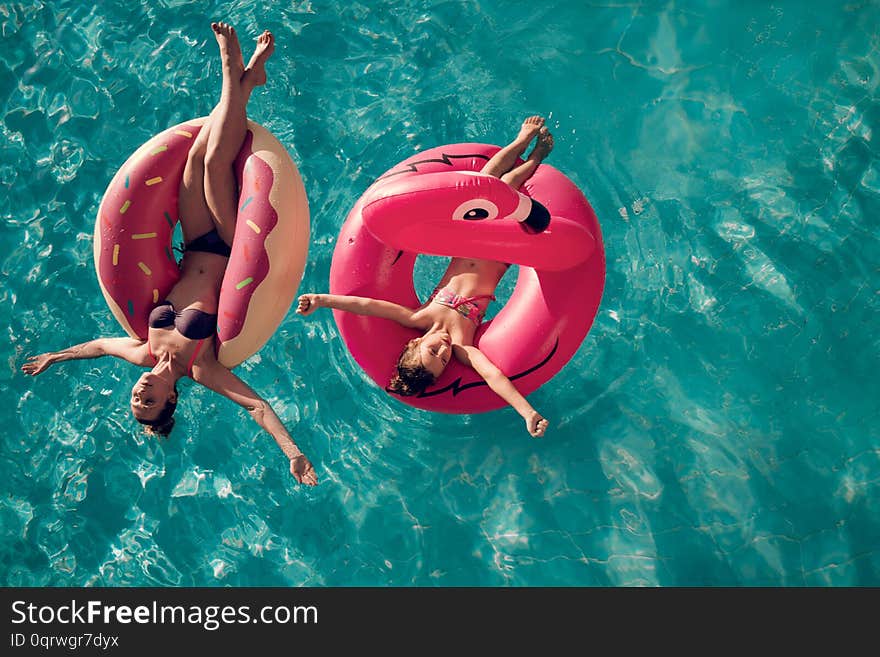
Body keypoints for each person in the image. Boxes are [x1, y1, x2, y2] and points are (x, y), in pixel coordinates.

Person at [21, 23, 318, 486]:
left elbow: (98, 346)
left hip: (197, 240)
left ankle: (249, 80)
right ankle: (234, 70)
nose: (139, 394)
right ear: (170, 399)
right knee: (214, 163)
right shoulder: (202, 367)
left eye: (135, 400)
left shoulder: (143, 351)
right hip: (227, 243)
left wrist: (54, 357)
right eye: (148, 401)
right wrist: (293, 453)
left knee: (198, 155)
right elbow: (257, 406)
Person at [296, 116, 554, 438]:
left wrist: (321, 300)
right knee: (506, 189)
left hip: (469, 239)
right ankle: (535, 157)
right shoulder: (462, 345)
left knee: (485, 182)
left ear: (415, 342)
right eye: (443, 361)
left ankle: (519, 141)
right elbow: (492, 375)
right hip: (499, 249)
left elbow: (366, 305)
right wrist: (527, 412)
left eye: (433, 352)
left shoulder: (418, 317)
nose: (444, 351)